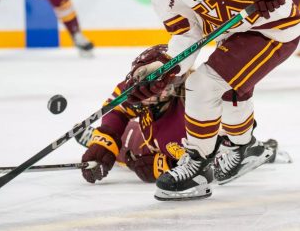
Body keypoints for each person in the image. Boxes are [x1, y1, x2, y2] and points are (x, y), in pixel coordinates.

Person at [129, 0, 300, 201]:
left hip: (275, 25)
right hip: (237, 34)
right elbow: (187, 38)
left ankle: (196, 160)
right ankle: (243, 147)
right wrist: (166, 69)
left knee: (203, 84)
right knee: (233, 92)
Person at [79, 45, 276, 185]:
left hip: (179, 152)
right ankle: (96, 137)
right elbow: (118, 109)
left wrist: (161, 166)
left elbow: (209, 166)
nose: (142, 89)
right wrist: (102, 143)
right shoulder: (145, 88)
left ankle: (257, 147)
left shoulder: (196, 108)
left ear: (172, 86)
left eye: (152, 83)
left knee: (139, 152)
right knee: (129, 139)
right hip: (152, 139)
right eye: (140, 76)